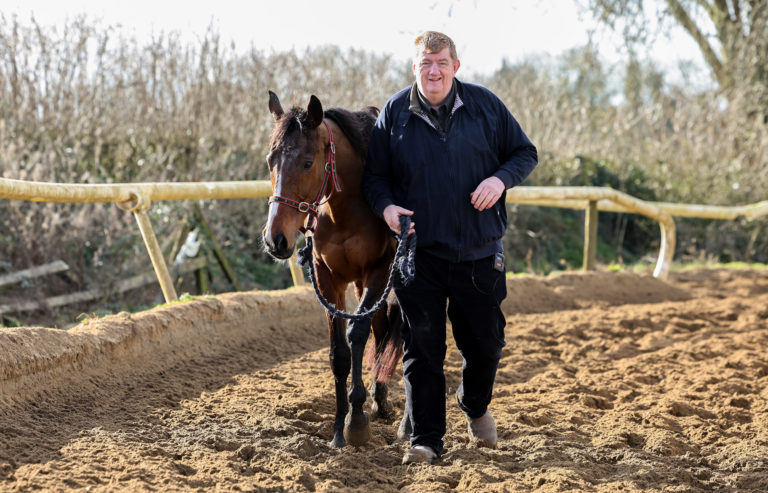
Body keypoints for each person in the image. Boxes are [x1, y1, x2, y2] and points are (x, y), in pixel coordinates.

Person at [362, 31, 538, 464]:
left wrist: (499, 180)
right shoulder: (394, 113)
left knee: (485, 344)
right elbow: (375, 178)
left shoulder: (485, 106)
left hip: (480, 251)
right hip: (419, 252)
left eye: (441, 62)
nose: (434, 71)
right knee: (422, 348)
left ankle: (474, 404)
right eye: (426, 63)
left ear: (455, 66)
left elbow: (524, 153)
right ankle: (426, 440)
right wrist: (385, 208)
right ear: (415, 68)